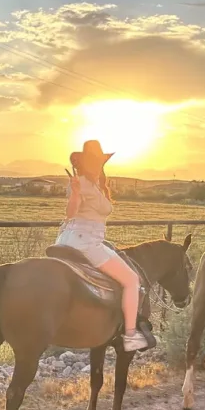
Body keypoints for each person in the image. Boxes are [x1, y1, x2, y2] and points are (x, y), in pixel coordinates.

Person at [54, 140, 150, 352]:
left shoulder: (96, 184)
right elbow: (71, 212)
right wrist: (77, 193)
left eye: (99, 162)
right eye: (93, 162)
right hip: (86, 242)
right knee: (132, 280)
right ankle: (131, 335)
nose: (97, 166)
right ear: (84, 164)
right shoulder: (80, 183)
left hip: (69, 238)